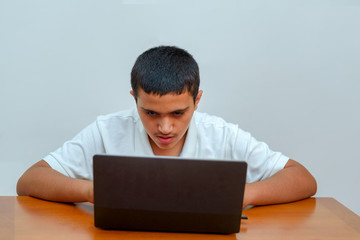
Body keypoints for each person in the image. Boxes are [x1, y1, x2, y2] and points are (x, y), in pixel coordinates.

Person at [17, 46, 317, 207]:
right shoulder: (107, 130)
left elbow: (303, 179)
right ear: (134, 99)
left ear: (197, 101)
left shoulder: (222, 134)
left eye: (178, 113)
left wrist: (242, 195)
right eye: (149, 113)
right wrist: (93, 191)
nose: (164, 127)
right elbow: (30, 180)